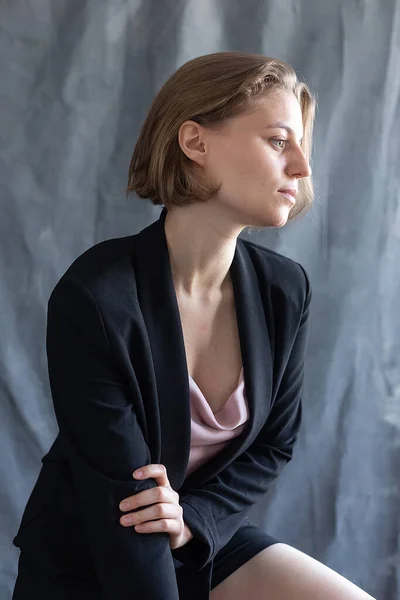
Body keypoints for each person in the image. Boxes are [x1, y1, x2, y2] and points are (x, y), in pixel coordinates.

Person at [12, 51, 375, 600]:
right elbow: (127, 508)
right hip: (94, 552)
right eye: (279, 141)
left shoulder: (285, 289)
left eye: (301, 145)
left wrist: (193, 522)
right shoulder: (96, 298)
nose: (302, 167)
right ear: (195, 143)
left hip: (201, 536)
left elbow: (272, 447)